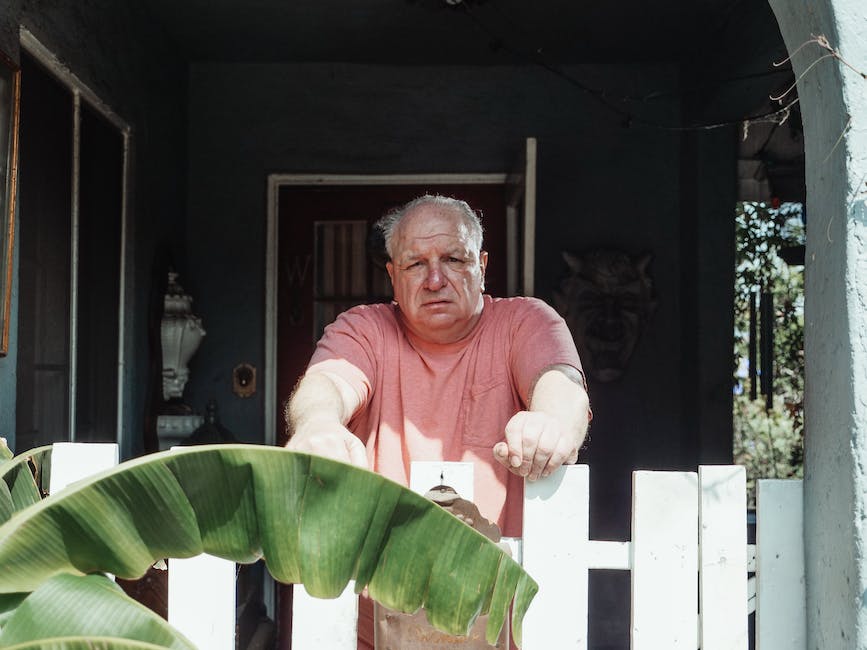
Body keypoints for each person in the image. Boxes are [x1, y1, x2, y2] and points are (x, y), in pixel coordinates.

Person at [285, 194, 591, 538]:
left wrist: (551, 421)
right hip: (382, 583)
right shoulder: (364, 329)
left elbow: (561, 386)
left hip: (499, 581)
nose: (434, 281)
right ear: (392, 275)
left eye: (454, 259)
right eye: (415, 264)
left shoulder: (525, 322)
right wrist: (317, 422)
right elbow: (326, 381)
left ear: (482, 267)